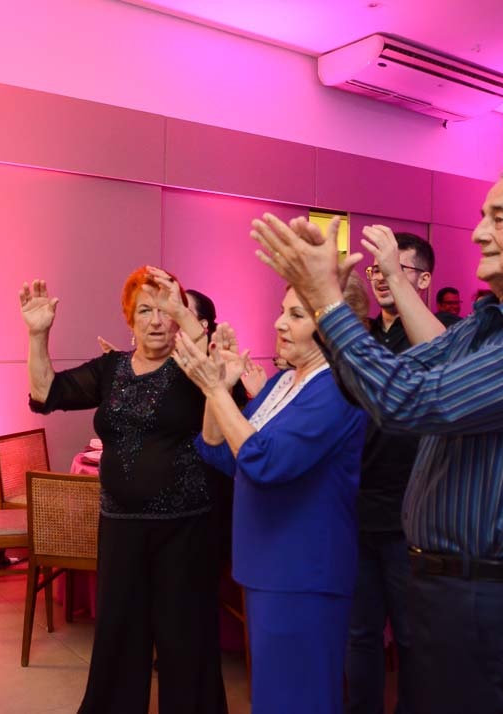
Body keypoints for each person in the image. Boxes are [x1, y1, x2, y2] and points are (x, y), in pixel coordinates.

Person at [251, 163, 503, 714]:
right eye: (482, 216)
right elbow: (388, 382)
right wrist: (325, 304)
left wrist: (326, 301)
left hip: (490, 602)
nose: (478, 233)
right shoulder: (489, 322)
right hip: (445, 591)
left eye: (499, 218)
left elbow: (407, 401)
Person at [20, 267, 228, 714]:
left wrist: (184, 313)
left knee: (185, 640)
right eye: (145, 310)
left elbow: (217, 375)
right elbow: (46, 392)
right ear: (129, 319)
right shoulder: (110, 369)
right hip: (120, 528)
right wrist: (38, 335)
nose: (156, 320)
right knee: (118, 637)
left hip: (184, 528)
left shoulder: (194, 367)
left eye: (165, 310)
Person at [173, 280, 369, 714]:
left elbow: (265, 462)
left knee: (300, 698)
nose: (279, 323)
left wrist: (215, 390)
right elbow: (220, 451)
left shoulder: (338, 389)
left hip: (303, 571)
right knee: (274, 697)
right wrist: (217, 389)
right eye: (283, 310)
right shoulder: (284, 382)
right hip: (268, 565)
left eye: (296, 315)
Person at [346, 229, 456, 714]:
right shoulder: (364, 332)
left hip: (414, 514)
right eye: (376, 268)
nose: (381, 278)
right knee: (360, 633)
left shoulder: (443, 331)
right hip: (359, 505)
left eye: (395, 267)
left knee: (413, 636)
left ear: (424, 280)